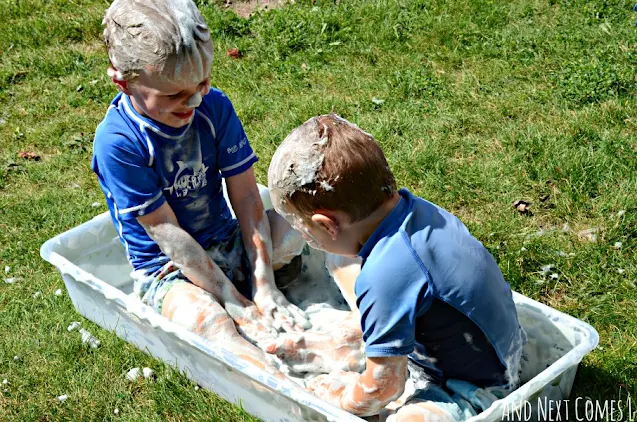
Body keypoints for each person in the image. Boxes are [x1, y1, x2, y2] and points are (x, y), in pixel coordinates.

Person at [92, 0, 310, 376]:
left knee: (303, 227)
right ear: (123, 82)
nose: (193, 100)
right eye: (174, 95)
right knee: (210, 322)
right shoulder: (118, 142)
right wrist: (230, 299)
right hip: (169, 270)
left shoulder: (214, 107)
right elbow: (167, 233)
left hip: (226, 241)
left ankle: (280, 295)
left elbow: (245, 195)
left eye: (202, 83)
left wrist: (262, 282)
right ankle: (284, 387)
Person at [265, 114, 526, 419]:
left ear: (328, 224)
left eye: (305, 231)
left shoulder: (384, 276)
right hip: (504, 349)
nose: (307, 239)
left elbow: (384, 388)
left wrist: (337, 399)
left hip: (474, 389)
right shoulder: (419, 211)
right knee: (343, 262)